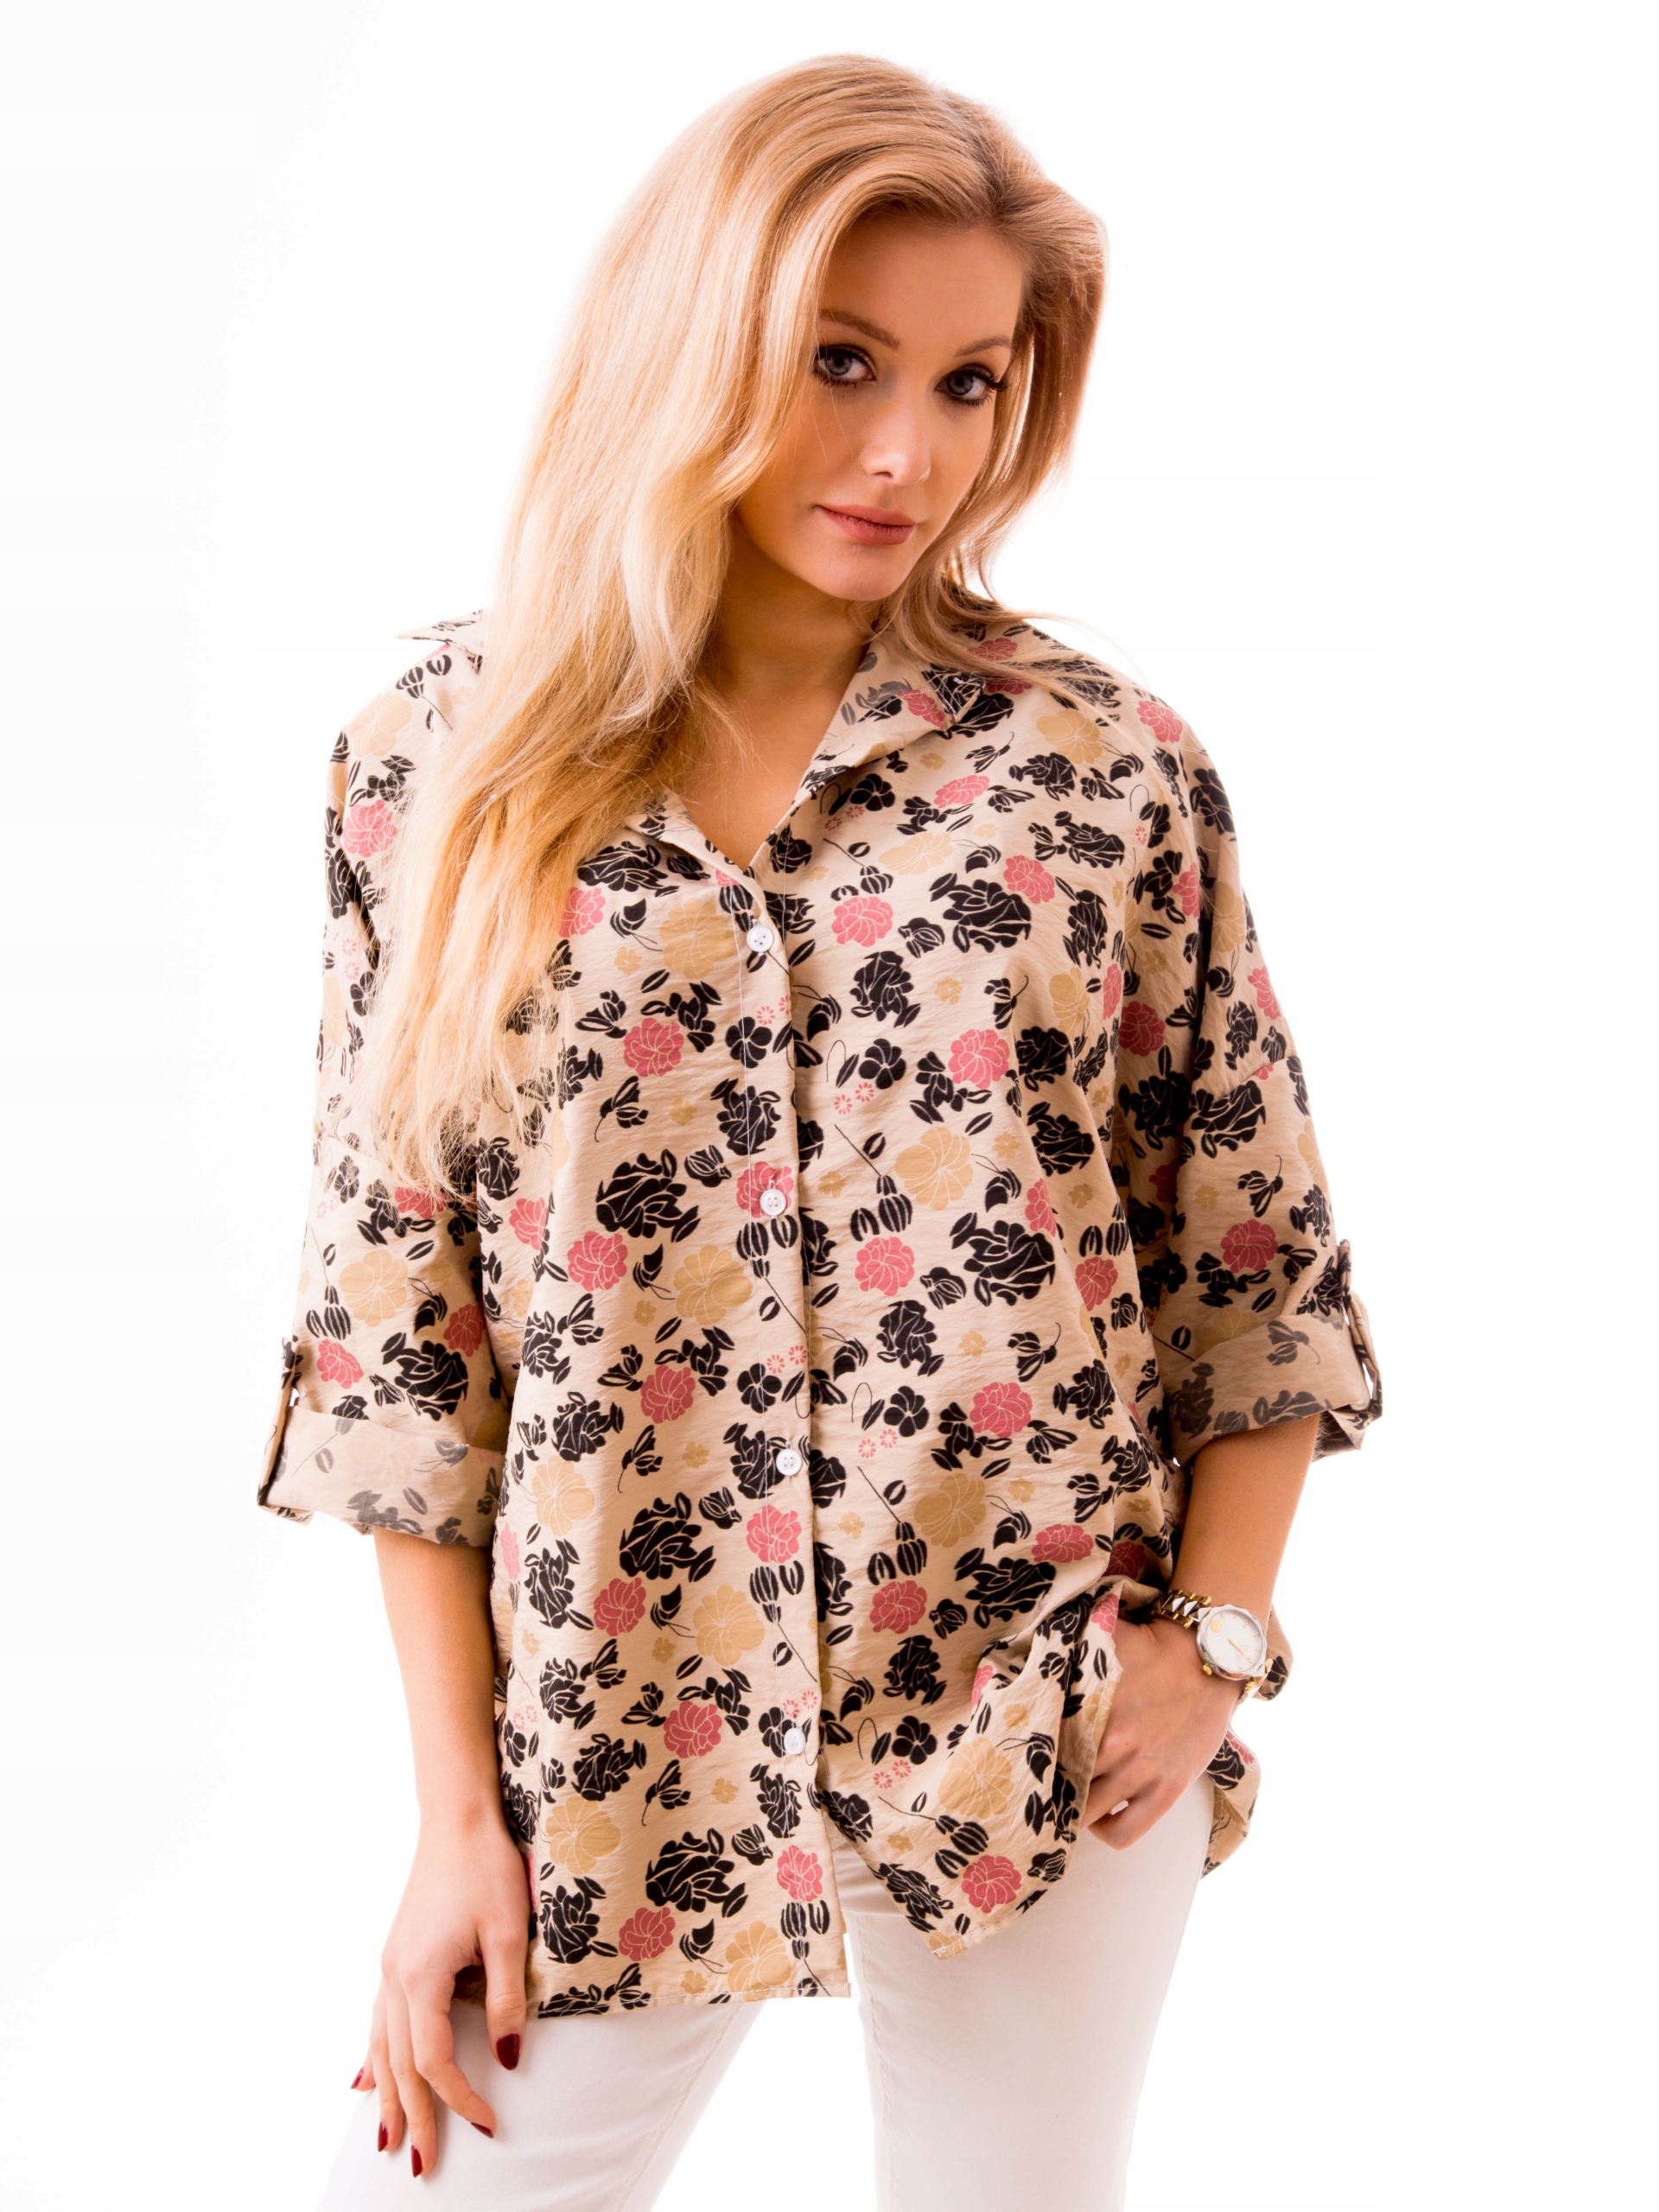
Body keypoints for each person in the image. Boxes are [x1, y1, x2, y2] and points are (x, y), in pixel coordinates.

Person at [260, 53, 1382, 2212]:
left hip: (1043, 1706)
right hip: (622, 1718)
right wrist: (453, 1816)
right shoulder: (436, 767)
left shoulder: (1101, 770)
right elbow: (399, 1332)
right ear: (695, 339)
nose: (905, 453)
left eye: (970, 384)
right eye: (839, 360)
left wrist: (1212, 1642)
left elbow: (1255, 1265)